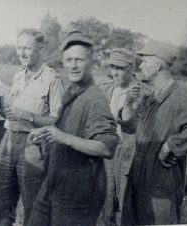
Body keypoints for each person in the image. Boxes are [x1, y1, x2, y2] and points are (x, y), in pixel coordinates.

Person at [27, 28, 119, 226]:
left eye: (79, 60)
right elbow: (67, 128)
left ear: (91, 62)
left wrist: (62, 137)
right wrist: (45, 133)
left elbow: (106, 147)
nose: (73, 66)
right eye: (69, 60)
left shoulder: (95, 99)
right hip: (55, 184)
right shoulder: (74, 91)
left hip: (79, 194)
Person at [119, 40, 187, 225]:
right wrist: (128, 104)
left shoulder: (179, 99)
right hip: (137, 181)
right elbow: (131, 127)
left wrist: (170, 146)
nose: (140, 65)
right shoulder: (149, 97)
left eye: (144, 61)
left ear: (157, 65)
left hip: (162, 186)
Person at [0, 28, 64, 226]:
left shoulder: (52, 80)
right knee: (1, 203)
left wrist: (28, 116)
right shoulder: (18, 76)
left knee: (34, 205)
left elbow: (57, 120)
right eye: (19, 48)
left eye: (27, 49)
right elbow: (11, 113)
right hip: (8, 141)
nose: (22, 53)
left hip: (33, 144)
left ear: (40, 49)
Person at [98, 48, 147, 225]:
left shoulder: (143, 93)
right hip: (105, 152)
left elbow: (134, 126)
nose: (115, 72)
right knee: (104, 202)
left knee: (125, 203)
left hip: (128, 155)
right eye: (112, 67)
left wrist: (128, 104)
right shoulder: (105, 88)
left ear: (132, 68)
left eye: (120, 68)